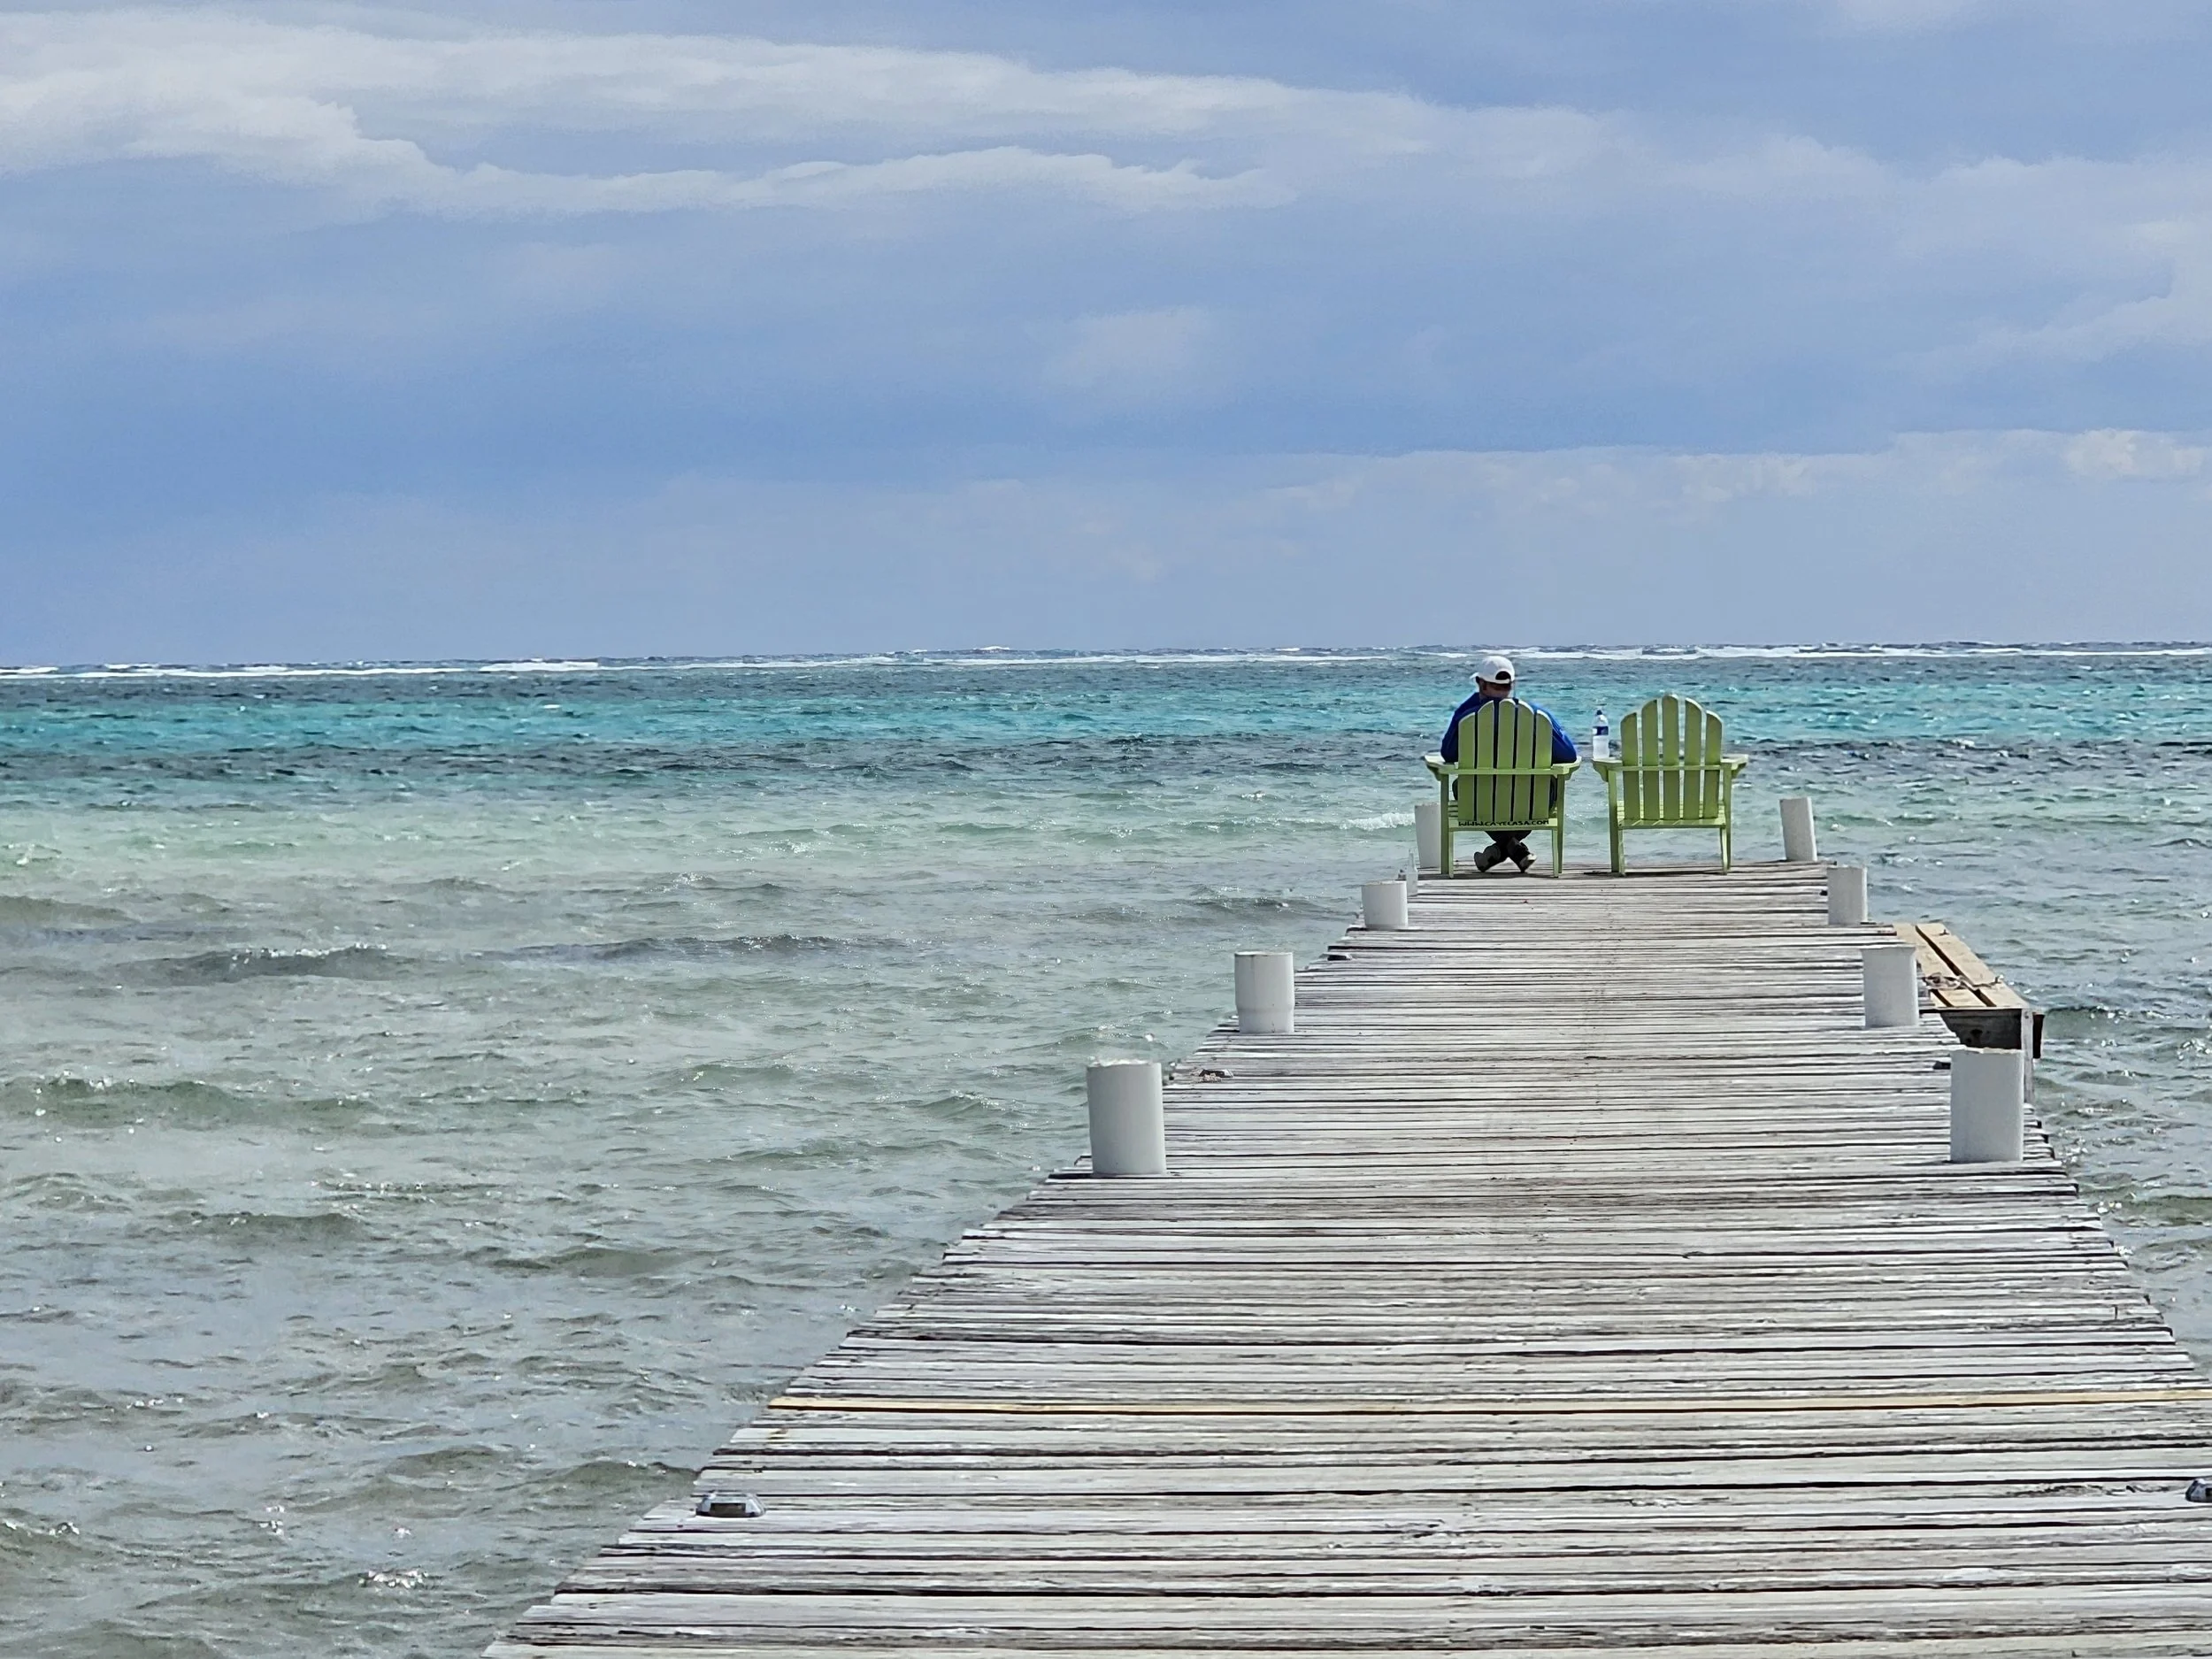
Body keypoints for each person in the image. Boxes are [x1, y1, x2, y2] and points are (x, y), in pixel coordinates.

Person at [1438, 653, 1578, 873]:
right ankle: (1513, 847)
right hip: (1531, 802)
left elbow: (1448, 754)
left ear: (1480, 683)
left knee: (1459, 786)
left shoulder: (1467, 717)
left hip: (1481, 800)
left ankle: (1506, 847)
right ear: (1512, 684)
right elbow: (1569, 755)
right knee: (1548, 786)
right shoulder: (1537, 716)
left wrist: (1470, 706)